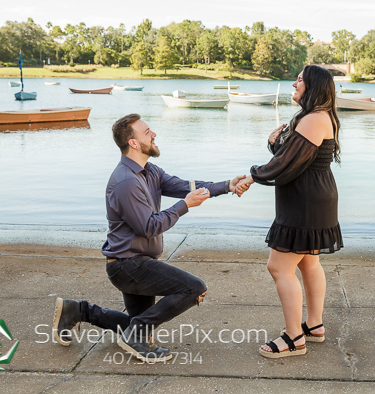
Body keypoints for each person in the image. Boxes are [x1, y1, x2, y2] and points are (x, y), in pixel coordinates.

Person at [52, 114, 249, 363]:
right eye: (147, 132)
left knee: (136, 326)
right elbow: (149, 227)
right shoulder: (125, 181)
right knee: (193, 289)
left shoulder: (149, 171)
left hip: (137, 262)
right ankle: (134, 335)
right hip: (128, 265)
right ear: (133, 143)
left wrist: (226, 186)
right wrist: (184, 206)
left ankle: (78, 310)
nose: (153, 134)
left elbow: (184, 185)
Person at [235, 65, 343, 359]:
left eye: (300, 80)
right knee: (308, 263)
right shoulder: (317, 116)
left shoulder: (313, 118)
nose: (295, 83)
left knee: (279, 267)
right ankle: (314, 325)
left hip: (306, 202)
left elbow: (284, 165)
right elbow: (294, 158)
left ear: (314, 87)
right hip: (312, 197)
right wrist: (274, 144)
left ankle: (294, 337)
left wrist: (252, 175)